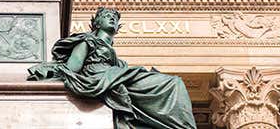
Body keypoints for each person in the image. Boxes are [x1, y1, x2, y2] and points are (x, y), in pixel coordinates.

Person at [28, 7, 197, 129]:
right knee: (173, 83)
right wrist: (50, 72)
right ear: (96, 23)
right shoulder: (87, 41)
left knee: (174, 83)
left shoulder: (116, 59)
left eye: (114, 18)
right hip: (102, 78)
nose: (112, 19)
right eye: (106, 16)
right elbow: (72, 67)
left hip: (116, 77)